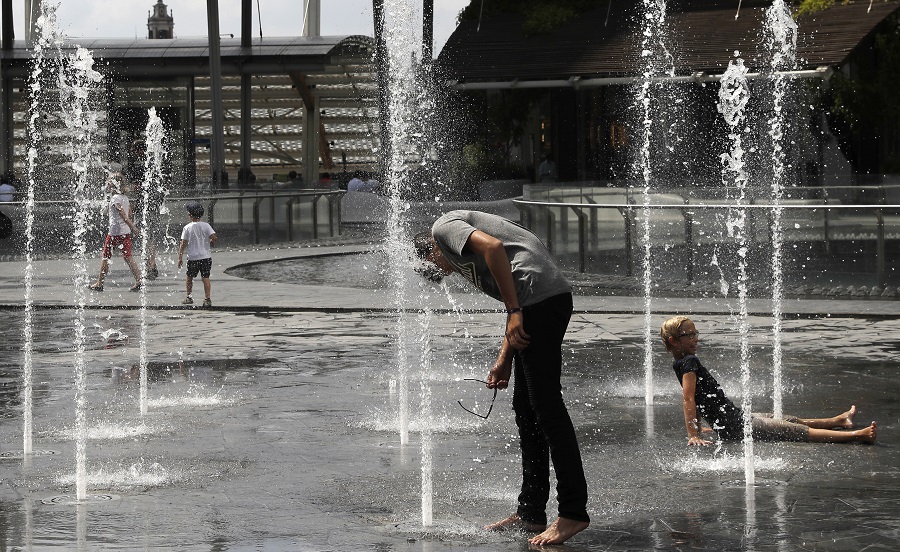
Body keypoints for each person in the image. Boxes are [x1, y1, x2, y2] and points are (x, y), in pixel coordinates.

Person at [414, 210, 590, 546]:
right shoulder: (460, 250)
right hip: (539, 301)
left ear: (432, 250)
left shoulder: (443, 229)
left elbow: (494, 248)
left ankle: (573, 512)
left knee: (547, 409)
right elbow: (517, 306)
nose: (444, 271)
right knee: (527, 411)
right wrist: (504, 360)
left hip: (542, 300)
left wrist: (512, 312)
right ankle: (531, 512)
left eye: (438, 266)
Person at [660, 316, 877, 445]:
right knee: (794, 431)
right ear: (673, 340)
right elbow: (689, 400)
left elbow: (697, 399)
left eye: (695, 333)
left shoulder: (681, 362)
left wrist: (701, 428)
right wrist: (692, 435)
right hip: (738, 426)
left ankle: (838, 421)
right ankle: (858, 435)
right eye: (689, 335)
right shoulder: (689, 362)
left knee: (789, 420)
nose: (695, 338)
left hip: (735, 419)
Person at [89, 174, 143, 292]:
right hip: (125, 233)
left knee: (105, 257)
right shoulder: (124, 198)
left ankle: (99, 283)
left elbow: (124, 215)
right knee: (128, 257)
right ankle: (139, 280)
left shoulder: (115, 199)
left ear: (113, 184)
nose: (107, 184)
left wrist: (133, 227)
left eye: (108, 182)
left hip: (114, 234)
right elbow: (130, 214)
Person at [177, 201, 217, 308]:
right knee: (206, 277)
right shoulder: (206, 225)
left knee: (189, 277)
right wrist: (211, 242)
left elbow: (183, 244)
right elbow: (214, 237)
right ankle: (207, 299)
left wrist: (180, 258)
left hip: (193, 258)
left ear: (190, 215)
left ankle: (189, 297)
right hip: (206, 257)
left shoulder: (187, 228)